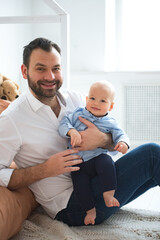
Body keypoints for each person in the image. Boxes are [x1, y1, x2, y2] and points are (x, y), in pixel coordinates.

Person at [0, 37, 160, 239]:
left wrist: (102, 140)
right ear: (24, 71)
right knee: (152, 156)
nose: (50, 76)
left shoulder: (75, 99)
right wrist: (44, 170)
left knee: (153, 168)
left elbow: (113, 135)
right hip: (72, 205)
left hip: (98, 179)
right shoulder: (11, 120)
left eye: (56, 68)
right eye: (41, 68)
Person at [59, 81, 130, 225]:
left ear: (110, 106)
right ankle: (90, 211)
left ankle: (109, 195)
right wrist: (71, 131)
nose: (96, 103)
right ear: (86, 99)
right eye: (92, 98)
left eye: (102, 100)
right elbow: (63, 124)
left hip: (97, 161)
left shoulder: (110, 122)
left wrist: (123, 143)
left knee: (107, 162)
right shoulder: (78, 114)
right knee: (80, 184)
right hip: (78, 162)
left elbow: (120, 134)